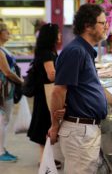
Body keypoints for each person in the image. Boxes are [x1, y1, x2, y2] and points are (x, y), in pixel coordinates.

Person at [48, 4, 108, 173]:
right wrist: (54, 125)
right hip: (79, 131)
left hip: (83, 130)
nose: (106, 27)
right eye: (102, 23)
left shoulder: (84, 50)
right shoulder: (76, 51)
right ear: (88, 26)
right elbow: (58, 90)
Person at [27, 23, 62, 167]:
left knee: (43, 124)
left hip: (43, 93)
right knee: (44, 125)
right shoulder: (47, 53)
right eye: (57, 33)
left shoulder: (43, 51)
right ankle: (45, 160)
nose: (60, 36)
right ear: (51, 36)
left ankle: (46, 159)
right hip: (46, 94)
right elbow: (52, 75)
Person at [0, 23, 24, 162]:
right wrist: (21, 81)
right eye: (6, 30)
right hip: (4, 88)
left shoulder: (3, 49)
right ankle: (1, 152)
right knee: (3, 119)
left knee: (4, 119)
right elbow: (7, 72)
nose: (9, 32)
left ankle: (2, 148)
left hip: (7, 88)